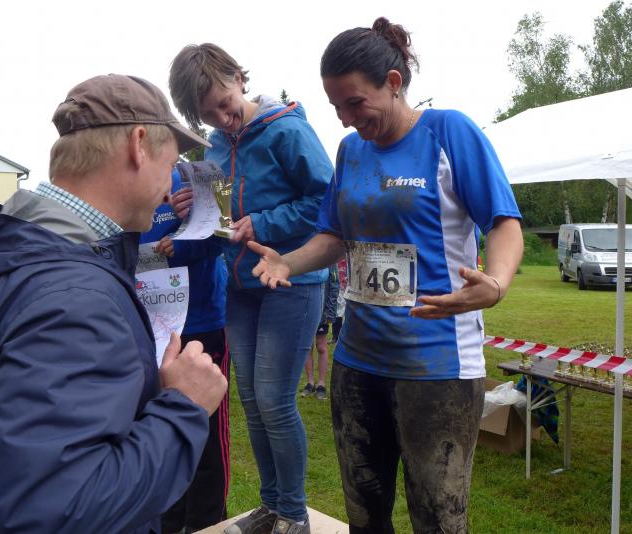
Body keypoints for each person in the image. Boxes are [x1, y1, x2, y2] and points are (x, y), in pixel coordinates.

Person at [0, 74, 227, 534]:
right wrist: (184, 406)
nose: (170, 188)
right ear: (139, 145)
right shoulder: (73, 296)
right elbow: (58, 513)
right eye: (170, 165)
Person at [249, 18, 524, 533]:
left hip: (438, 365)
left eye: (355, 103)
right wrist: (288, 261)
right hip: (358, 363)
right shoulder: (350, 151)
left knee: (438, 521)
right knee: (364, 517)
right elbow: (334, 236)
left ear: (393, 82)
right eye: (336, 107)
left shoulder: (449, 132)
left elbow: (504, 222)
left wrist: (497, 283)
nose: (346, 118)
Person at [169, 44, 334, 534]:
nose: (223, 120)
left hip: (292, 280)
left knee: (275, 400)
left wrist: (262, 222)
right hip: (240, 287)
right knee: (251, 402)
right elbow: (221, 223)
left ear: (239, 78)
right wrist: (193, 209)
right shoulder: (216, 147)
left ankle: (295, 514)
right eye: (209, 116)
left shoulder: (287, 130)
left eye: (226, 104)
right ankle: (271, 505)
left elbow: (327, 201)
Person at [140, 161, 231, 534]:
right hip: (151, 328)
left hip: (201, 325)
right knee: (161, 427)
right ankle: (169, 519)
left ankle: (206, 523)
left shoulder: (201, 173)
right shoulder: (126, 179)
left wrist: (181, 242)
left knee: (206, 434)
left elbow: (224, 233)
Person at [300, 263, 338, 400]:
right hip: (305, 309)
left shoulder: (330, 262)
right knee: (307, 346)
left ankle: (321, 384)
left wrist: (330, 311)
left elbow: (334, 285)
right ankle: (310, 382)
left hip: (322, 311)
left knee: (321, 346)